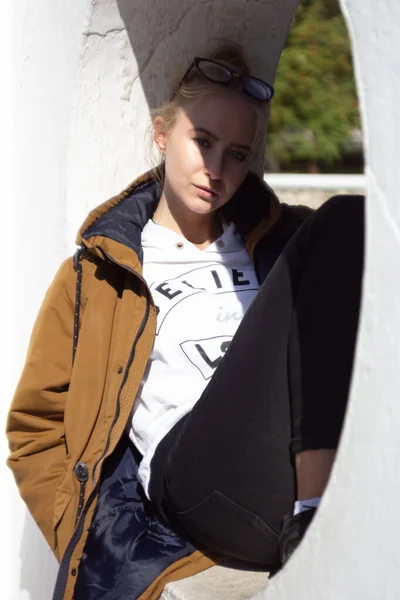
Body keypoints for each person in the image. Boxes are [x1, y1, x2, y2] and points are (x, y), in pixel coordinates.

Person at [6, 43, 364, 600]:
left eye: (239, 154)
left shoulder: (278, 242)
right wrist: (87, 536)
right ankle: (317, 516)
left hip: (277, 464)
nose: (217, 170)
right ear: (162, 134)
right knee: (341, 218)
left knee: (348, 223)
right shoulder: (102, 272)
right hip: (196, 478)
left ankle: (316, 502)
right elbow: (35, 427)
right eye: (202, 142)